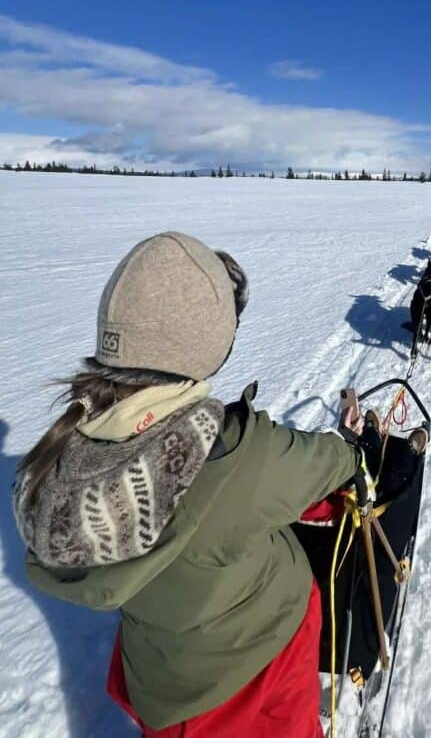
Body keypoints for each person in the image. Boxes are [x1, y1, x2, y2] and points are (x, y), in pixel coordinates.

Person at [13, 231, 362, 737]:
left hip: (161, 682)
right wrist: (353, 451)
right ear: (203, 343)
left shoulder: (72, 455)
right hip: (262, 663)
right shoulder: (233, 454)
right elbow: (323, 465)